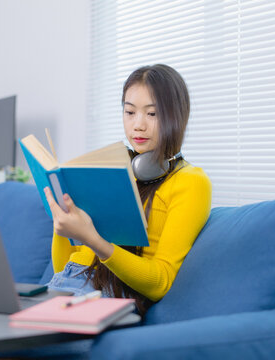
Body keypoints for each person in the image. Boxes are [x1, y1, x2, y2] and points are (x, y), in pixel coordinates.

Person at [44, 64, 212, 316]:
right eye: (130, 112)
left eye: (152, 114)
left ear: (176, 116)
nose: (138, 125)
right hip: (63, 289)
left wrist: (93, 239)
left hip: (108, 299)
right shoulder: (114, 171)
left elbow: (161, 282)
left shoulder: (190, 181)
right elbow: (64, 269)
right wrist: (61, 222)